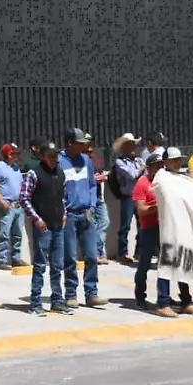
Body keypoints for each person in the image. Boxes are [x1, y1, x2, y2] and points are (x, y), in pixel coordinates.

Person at [155, 146, 193, 316]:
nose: (177, 163)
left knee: (184, 263)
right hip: (170, 228)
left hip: (184, 227)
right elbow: (167, 196)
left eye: (179, 160)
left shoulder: (183, 179)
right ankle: (163, 303)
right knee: (166, 264)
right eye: (174, 160)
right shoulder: (162, 177)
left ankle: (186, 302)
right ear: (165, 162)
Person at [20, 141, 71, 316]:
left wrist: (64, 214)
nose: (54, 159)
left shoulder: (60, 173)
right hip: (43, 227)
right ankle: (35, 303)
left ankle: (57, 301)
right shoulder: (34, 174)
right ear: (42, 156)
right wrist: (36, 219)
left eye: (56, 156)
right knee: (40, 265)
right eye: (51, 156)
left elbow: (63, 197)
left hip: (58, 225)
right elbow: (24, 198)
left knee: (57, 266)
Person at [60, 129, 106, 308]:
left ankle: (91, 293)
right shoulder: (60, 162)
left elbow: (92, 185)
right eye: (79, 143)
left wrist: (92, 206)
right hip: (69, 215)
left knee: (91, 255)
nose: (84, 146)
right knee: (70, 257)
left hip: (86, 213)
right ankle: (71, 294)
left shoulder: (86, 161)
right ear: (70, 143)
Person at [131, 151, 165, 309]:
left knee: (165, 264)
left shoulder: (165, 182)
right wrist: (156, 207)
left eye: (161, 166)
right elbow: (141, 210)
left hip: (164, 228)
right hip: (148, 229)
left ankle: (164, 297)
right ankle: (140, 297)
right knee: (144, 264)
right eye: (156, 166)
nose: (159, 169)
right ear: (149, 168)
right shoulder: (142, 184)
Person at [0, 143, 27, 270]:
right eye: (15, 153)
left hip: (18, 205)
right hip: (7, 205)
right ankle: (2, 260)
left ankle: (16, 258)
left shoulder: (16, 167)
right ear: (9, 153)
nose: (17, 155)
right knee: (4, 233)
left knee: (17, 233)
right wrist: (2, 202)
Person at [111, 132, 144, 263]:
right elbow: (132, 175)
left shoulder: (138, 160)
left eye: (133, 145)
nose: (133, 148)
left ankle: (139, 251)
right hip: (128, 196)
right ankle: (122, 253)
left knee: (142, 225)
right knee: (125, 226)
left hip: (140, 195)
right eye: (130, 145)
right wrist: (141, 169)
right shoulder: (119, 162)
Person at [85, 134, 112, 265]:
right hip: (86, 198)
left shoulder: (96, 158)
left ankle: (98, 252)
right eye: (86, 143)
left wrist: (103, 177)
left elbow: (101, 173)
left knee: (104, 222)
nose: (89, 145)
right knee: (92, 225)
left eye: (90, 142)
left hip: (98, 196)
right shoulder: (78, 160)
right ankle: (95, 254)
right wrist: (92, 179)